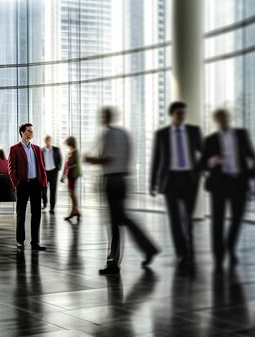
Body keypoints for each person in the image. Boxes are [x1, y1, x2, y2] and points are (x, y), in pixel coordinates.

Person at [86, 107, 160, 275]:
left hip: (112, 181)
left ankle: (114, 262)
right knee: (121, 218)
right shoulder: (124, 134)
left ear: (107, 117)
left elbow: (106, 159)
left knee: (114, 222)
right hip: (123, 180)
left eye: (103, 115)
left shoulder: (109, 134)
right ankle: (147, 248)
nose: (101, 118)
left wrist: (90, 159)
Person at [201, 109, 255, 269]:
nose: (223, 121)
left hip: (239, 182)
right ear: (216, 121)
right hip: (219, 183)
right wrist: (213, 161)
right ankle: (218, 257)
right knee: (217, 221)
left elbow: (251, 156)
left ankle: (230, 246)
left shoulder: (241, 134)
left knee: (237, 219)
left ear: (228, 118)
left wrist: (249, 174)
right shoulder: (210, 140)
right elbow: (202, 164)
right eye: (219, 119)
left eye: (225, 118)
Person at [150, 101, 203, 265]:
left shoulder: (194, 131)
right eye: (179, 113)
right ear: (172, 114)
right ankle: (181, 252)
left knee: (187, 216)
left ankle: (190, 248)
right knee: (174, 218)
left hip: (189, 178)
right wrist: (152, 183)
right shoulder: (162, 134)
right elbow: (156, 159)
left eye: (184, 113)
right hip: (170, 179)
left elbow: (204, 152)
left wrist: (201, 170)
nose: (182, 116)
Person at [8, 123, 47, 251]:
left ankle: (35, 242)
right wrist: (17, 183)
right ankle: (20, 241)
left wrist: (43, 182)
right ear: (22, 133)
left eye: (32, 131)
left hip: (36, 184)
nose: (31, 133)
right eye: (29, 131)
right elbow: (11, 168)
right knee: (21, 214)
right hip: (22, 185)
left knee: (36, 214)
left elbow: (42, 167)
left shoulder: (36, 148)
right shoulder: (14, 149)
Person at [61, 137, 81, 222]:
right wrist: (63, 175)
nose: (67, 145)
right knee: (71, 193)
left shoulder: (75, 152)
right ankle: (75, 211)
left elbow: (75, 164)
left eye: (68, 143)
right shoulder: (71, 151)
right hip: (70, 175)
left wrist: (68, 167)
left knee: (72, 193)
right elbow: (66, 164)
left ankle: (75, 211)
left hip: (73, 175)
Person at [41, 135, 62, 214]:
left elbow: (60, 160)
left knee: (53, 190)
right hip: (45, 173)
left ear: (51, 141)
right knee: (43, 190)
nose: (48, 142)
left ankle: (52, 207)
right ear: (45, 141)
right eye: (47, 140)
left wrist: (58, 169)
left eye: (49, 140)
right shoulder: (41, 150)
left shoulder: (56, 149)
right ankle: (45, 203)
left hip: (53, 172)